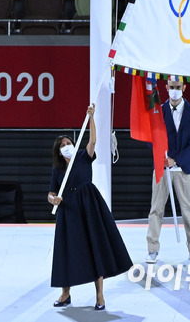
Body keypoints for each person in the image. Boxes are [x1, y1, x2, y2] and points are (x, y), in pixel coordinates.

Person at [48, 104, 133, 311]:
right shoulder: (57, 170)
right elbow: (51, 192)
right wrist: (53, 200)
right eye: (63, 144)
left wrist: (91, 117)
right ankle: (66, 293)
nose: (66, 145)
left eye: (69, 142)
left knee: (95, 246)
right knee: (66, 251)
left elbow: (93, 140)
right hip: (68, 210)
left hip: (88, 206)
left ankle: (100, 296)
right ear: (58, 152)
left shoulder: (82, 157)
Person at [146, 80, 190, 264]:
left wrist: (175, 160)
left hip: (184, 168)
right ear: (166, 88)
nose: (175, 90)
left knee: (188, 209)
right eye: (172, 87)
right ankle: (152, 250)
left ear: (184, 88)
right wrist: (161, 157)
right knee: (156, 209)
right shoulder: (157, 112)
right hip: (162, 168)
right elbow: (150, 138)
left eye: (178, 87)